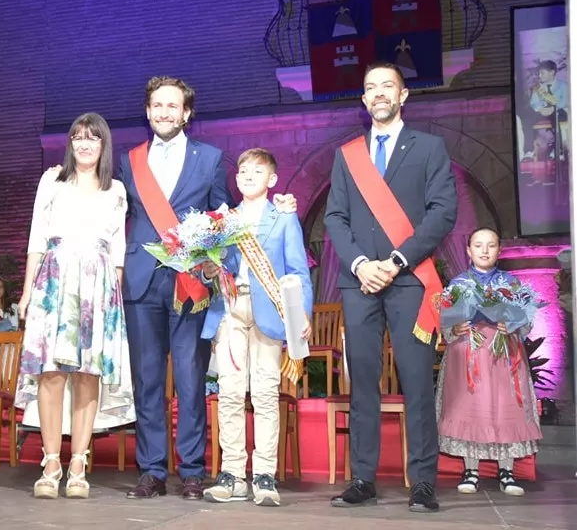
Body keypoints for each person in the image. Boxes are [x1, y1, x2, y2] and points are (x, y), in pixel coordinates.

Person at [118, 76, 297, 500]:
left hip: (192, 281)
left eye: (172, 106)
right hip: (142, 281)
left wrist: (280, 206)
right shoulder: (128, 161)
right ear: (148, 112)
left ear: (187, 113)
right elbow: (110, 207)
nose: (164, 112)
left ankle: (193, 470)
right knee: (147, 380)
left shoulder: (211, 157)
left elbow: (226, 216)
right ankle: (152, 470)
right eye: (157, 105)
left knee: (190, 378)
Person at [324, 61, 457, 513]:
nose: (379, 93)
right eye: (370, 88)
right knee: (363, 380)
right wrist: (362, 264)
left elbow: (442, 212)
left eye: (387, 86)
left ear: (404, 95)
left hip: (410, 281)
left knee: (416, 381)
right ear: (363, 100)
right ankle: (362, 478)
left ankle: (422, 481)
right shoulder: (347, 156)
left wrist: (397, 261)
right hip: (358, 282)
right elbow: (335, 218)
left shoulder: (430, 148)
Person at [16, 112, 134, 500]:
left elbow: (118, 251)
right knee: (51, 373)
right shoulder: (52, 180)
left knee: (87, 375)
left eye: (93, 138)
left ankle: (79, 463)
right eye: (78, 137)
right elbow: (36, 238)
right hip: (54, 281)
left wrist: (113, 299)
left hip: (98, 287)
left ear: (104, 145)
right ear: (70, 143)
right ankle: (51, 462)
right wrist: (28, 292)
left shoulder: (115, 189)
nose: (84, 144)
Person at [200, 148, 313, 507]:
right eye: (243, 171)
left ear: (272, 179)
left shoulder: (283, 217)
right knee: (230, 393)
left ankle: (264, 473)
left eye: (257, 171)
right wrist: (207, 269)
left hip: (269, 310)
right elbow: (209, 267)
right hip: (229, 309)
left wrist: (302, 313)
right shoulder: (223, 219)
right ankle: (232, 472)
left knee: (264, 394)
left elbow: (297, 269)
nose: (248, 176)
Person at [436, 227, 542, 496]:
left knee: (504, 407)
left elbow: (527, 320)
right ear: (468, 250)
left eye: (491, 245)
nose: (484, 250)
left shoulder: (511, 283)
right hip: (467, 353)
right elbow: (446, 324)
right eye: (478, 245)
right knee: (470, 407)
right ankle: (470, 470)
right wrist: (454, 328)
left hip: (503, 354)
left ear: (499, 250)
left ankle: (506, 471)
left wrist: (515, 324)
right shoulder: (458, 285)